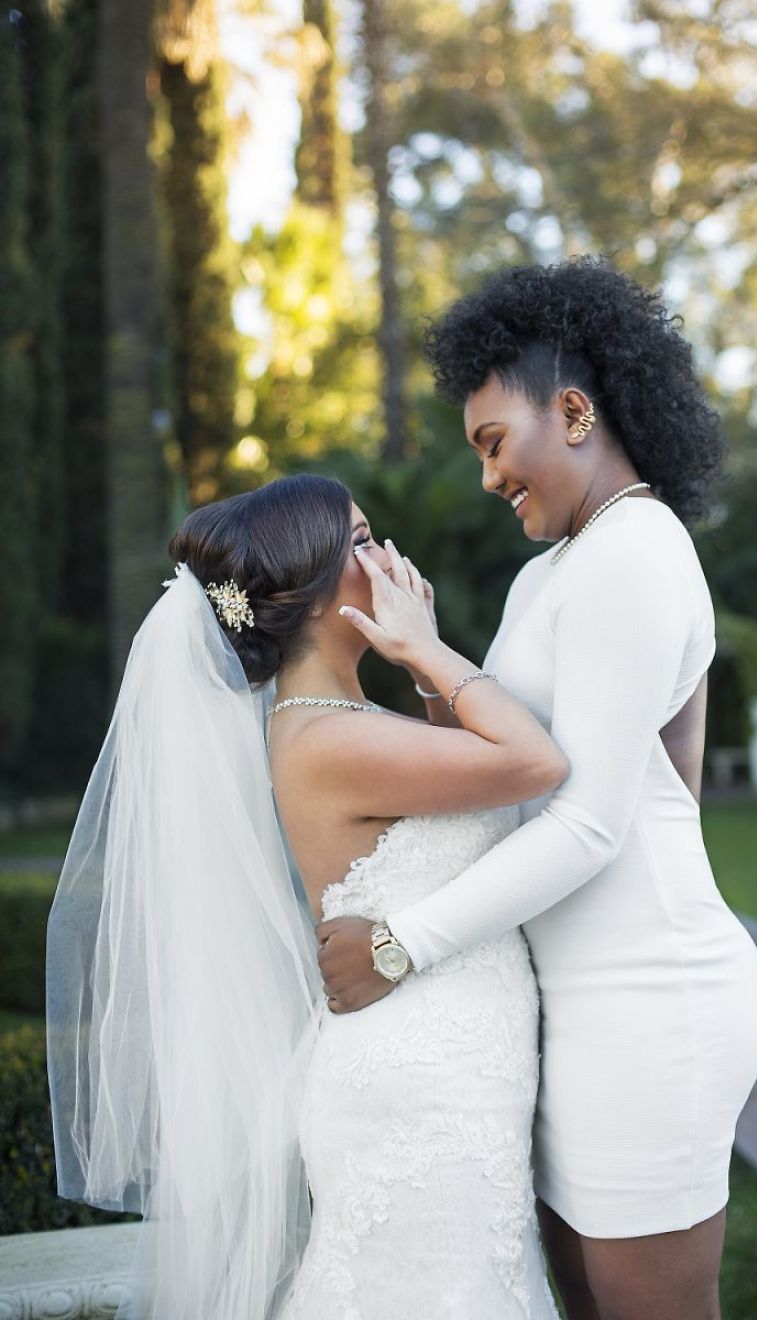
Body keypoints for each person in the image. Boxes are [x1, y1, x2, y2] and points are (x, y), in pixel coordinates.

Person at [317, 256, 757, 1320]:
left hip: (650, 1004)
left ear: (572, 411)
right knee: (585, 1296)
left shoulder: (635, 550)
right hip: (574, 1008)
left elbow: (594, 828)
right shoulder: (549, 572)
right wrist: (424, 660)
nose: (487, 476)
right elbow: (526, 774)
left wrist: (400, 942)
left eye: (492, 442)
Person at [46, 472, 566, 1320]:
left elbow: (476, 781)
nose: (388, 557)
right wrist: (424, 646)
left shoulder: (340, 718)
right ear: (314, 595)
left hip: (449, 1074)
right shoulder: (328, 737)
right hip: (418, 1091)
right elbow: (533, 763)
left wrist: (422, 666)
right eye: (360, 542)